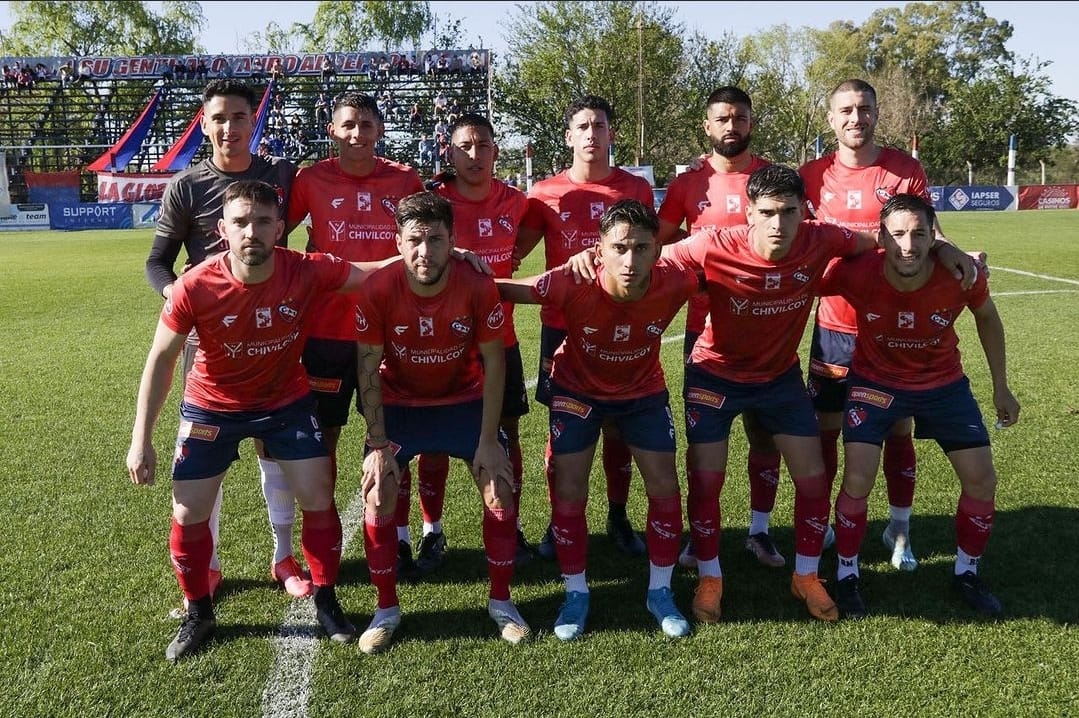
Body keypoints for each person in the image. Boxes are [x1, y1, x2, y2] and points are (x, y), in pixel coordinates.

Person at [661, 164, 975, 623]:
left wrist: (943, 246)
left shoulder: (822, 238)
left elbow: (886, 238)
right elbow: (649, 257)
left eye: (789, 212)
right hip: (715, 375)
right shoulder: (713, 244)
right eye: (767, 212)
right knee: (706, 480)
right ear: (749, 213)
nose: (778, 224)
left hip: (779, 379)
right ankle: (711, 578)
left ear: (802, 213)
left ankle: (806, 575)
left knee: (813, 478)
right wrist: (588, 260)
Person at [127, 180, 380, 661]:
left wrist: (446, 258)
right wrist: (141, 439)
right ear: (223, 229)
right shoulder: (195, 285)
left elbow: (373, 275)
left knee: (319, 497)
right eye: (241, 222)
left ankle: (326, 601)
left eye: (263, 221)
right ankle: (199, 612)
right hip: (211, 407)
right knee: (187, 512)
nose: (252, 232)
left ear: (280, 229)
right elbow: (159, 360)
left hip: (285, 404)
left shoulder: (306, 269)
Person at [499, 199, 700, 639]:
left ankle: (660, 591)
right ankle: (576, 593)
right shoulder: (572, 280)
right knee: (569, 487)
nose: (631, 260)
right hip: (577, 392)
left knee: (665, 484)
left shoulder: (677, 281)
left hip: (642, 393)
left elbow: (724, 266)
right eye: (620, 248)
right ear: (599, 249)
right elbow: (508, 289)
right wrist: (457, 268)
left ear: (658, 249)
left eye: (642, 248)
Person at [820, 193, 1018, 619]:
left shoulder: (961, 274)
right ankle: (848, 573)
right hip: (875, 385)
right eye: (897, 235)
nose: (907, 245)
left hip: (943, 386)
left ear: (934, 238)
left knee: (982, 480)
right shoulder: (855, 272)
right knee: (858, 478)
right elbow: (798, 280)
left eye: (918, 234)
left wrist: (1001, 387)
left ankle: (967, 572)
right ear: (880, 239)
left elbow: (988, 317)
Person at [144, 79, 301, 607]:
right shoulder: (186, 186)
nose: (230, 127)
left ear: (252, 120)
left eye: (239, 116)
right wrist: (181, 297)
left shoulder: (279, 174)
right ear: (204, 122)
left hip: (273, 330)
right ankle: (207, 568)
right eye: (220, 118)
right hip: (209, 336)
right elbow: (156, 261)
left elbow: (303, 237)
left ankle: (283, 556)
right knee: (205, 455)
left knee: (272, 446)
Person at [354, 191, 530, 654]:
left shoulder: (476, 285)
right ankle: (386, 609)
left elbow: (496, 366)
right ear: (398, 240)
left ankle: (501, 602)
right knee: (379, 490)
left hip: (463, 401)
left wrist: (490, 440)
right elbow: (367, 371)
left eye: (435, 239)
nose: (424, 252)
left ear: (453, 240)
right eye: (414, 240)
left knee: (500, 485)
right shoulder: (377, 289)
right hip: (401, 406)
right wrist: (377, 446)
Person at [798, 78, 950, 571]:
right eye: (845, 110)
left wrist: (949, 251)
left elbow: (929, 232)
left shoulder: (904, 170)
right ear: (831, 118)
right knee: (827, 428)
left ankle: (899, 527)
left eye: (863, 108)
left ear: (877, 112)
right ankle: (822, 521)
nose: (854, 118)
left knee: (898, 429)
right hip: (836, 326)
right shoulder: (812, 175)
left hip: (893, 328)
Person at [285, 91, 425, 577]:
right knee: (321, 444)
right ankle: (322, 550)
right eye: (348, 125)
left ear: (380, 131)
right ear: (332, 130)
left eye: (366, 125)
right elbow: (277, 240)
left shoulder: (405, 179)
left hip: (388, 332)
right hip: (325, 334)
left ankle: (397, 539)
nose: (357, 133)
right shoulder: (310, 179)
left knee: (391, 442)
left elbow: (423, 240)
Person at [515, 94, 655, 559]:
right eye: (583, 127)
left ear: (611, 133)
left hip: (625, 326)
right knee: (563, 432)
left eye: (599, 126)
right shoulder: (544, 193)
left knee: (619, 430)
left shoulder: (634, 190)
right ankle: (561, 524)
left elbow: (655, 252)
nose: (592, 135)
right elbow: (513, 251)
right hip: (563, 330)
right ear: (569, 136)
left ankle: (618, 516)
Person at [655, 86, 785, 571]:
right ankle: (699, 535)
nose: (732, 127)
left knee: (764, 436)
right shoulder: (689, 185)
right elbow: (661, 246)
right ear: (707, 127)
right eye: (722, 119)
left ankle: (760, 531)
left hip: (768, 331)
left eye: (740, 118)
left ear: (751, 123)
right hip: (703, 331)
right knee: (705, 442)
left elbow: (799, 237)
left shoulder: (773, 179)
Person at [407, 113, 534, 574]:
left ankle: (508, 524)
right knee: (434, 439)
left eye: (483, 145)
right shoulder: (434, 202)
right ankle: (431, 532)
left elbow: (531, 237)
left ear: (496, 152)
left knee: (507, 434)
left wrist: (512, 257)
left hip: (501, 337)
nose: (474, 155)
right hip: (445, 339)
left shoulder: (517, 201)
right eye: (464, 146)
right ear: (450, 153)